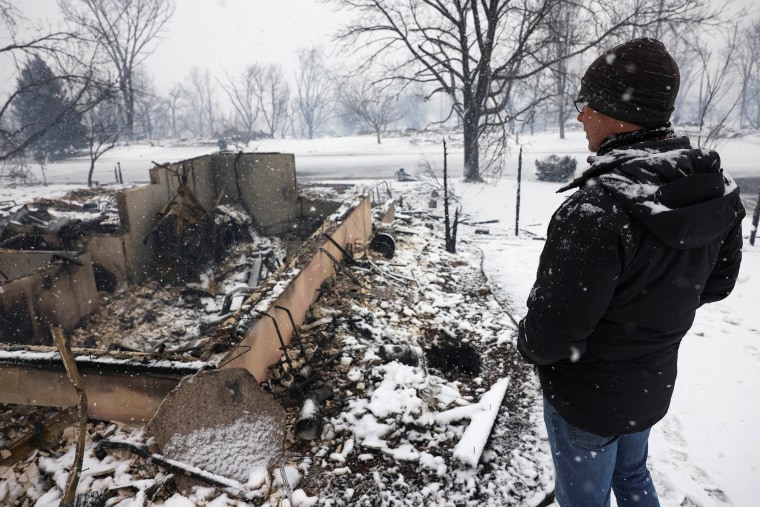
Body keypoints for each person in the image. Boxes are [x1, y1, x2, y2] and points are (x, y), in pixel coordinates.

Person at [517, 38, 745, 507]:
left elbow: (549, 336)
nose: (580, 116)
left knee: (584, 500)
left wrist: (529, 340)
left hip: (587, 402)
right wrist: (651, 314)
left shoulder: (596, 211)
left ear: (616, 111)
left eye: (586, 104)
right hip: (649, 386)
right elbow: (717, 285)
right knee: (634, 475)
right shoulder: (713, 190)